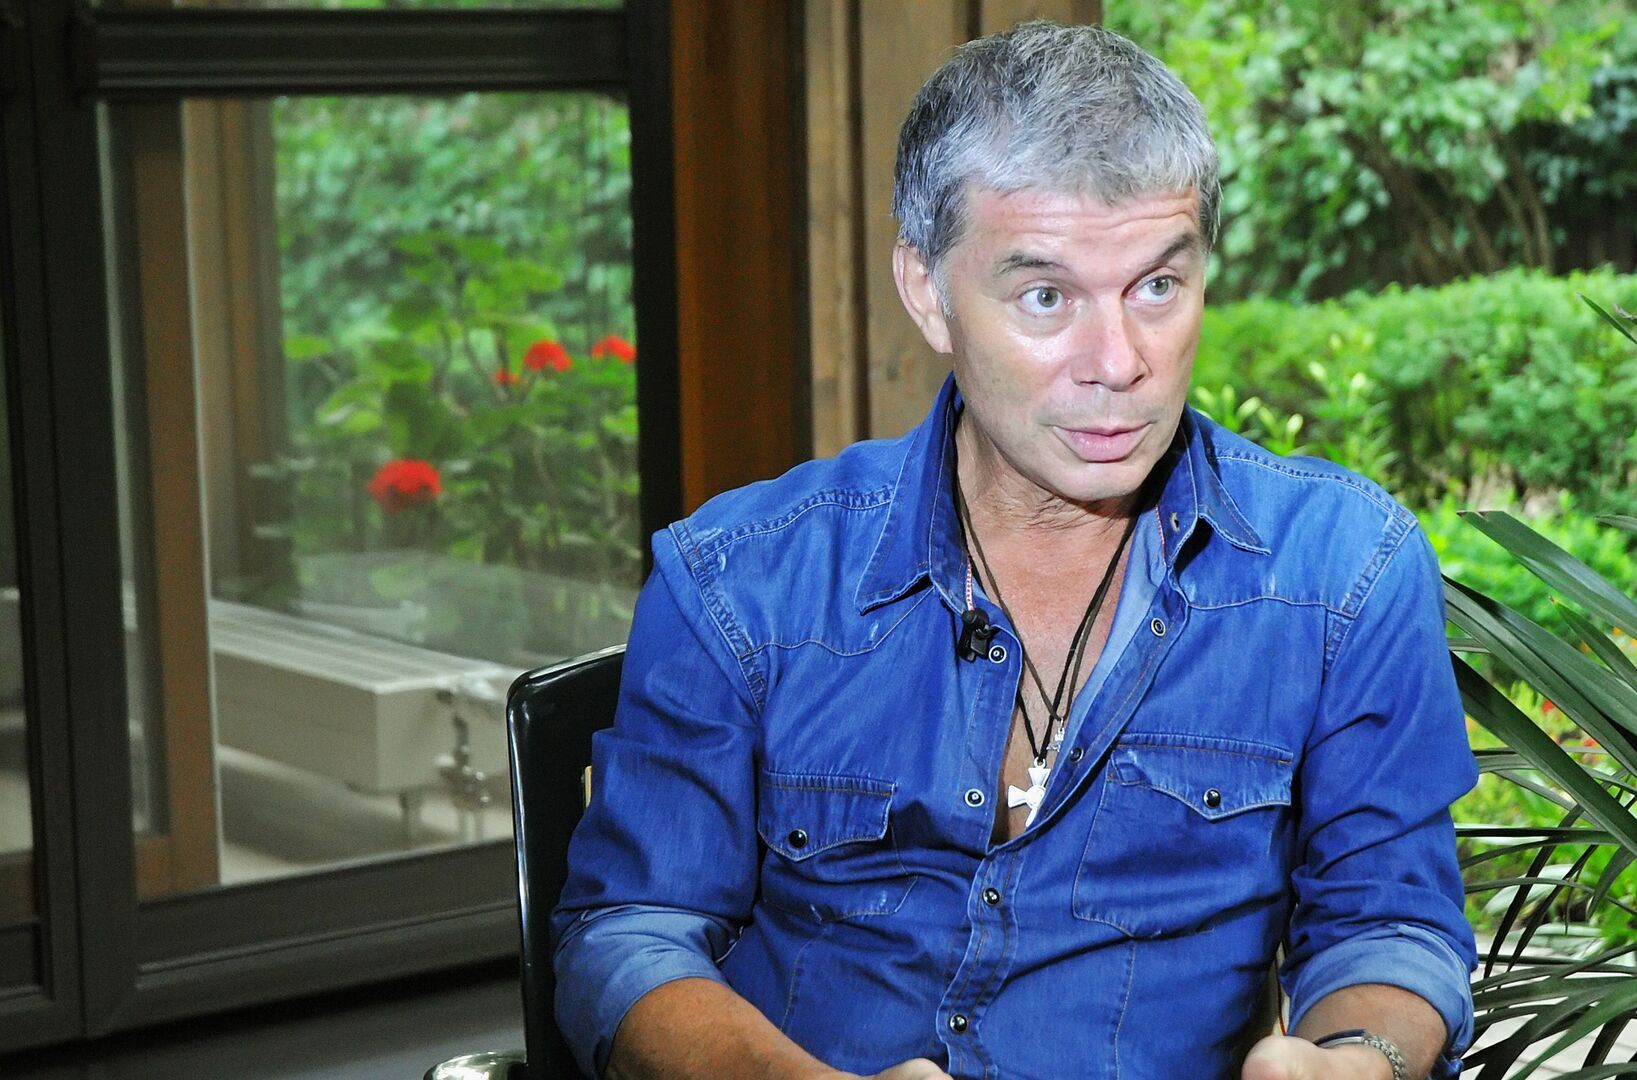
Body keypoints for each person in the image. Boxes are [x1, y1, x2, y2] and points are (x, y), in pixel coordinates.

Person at [552, 21, 1476, 1080]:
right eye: (1046, 297)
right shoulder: (738, 581)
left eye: (1157, 287)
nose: (1118, 362)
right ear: (927, 290)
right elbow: (627, 934)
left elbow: (1392, 924)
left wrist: (1357, 1059)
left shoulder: (1345, 571)